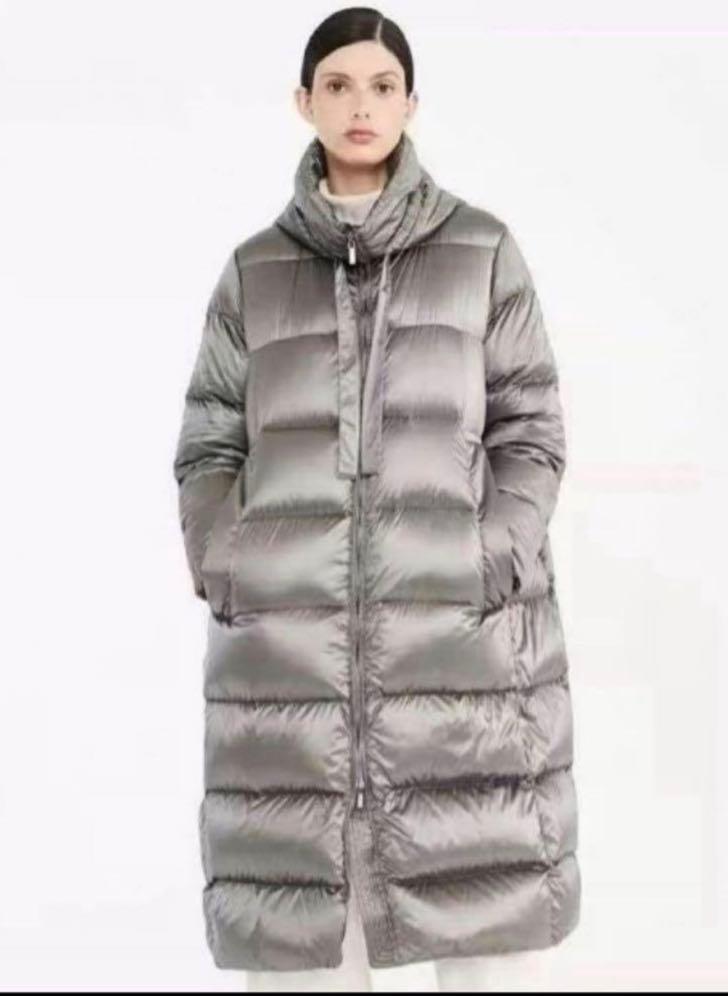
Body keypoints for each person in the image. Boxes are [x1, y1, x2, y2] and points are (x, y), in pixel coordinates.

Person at [173, 7, 579, 990]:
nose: (362, 105)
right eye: (340, 85)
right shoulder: (254, 273)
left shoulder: (481, 251)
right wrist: (231, 565)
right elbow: (209, 443)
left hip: (465, 653)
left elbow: (531, 429)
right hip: (290, 661)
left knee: (489, 925)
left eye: (383, 86)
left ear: (410, 104)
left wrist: (490, 556)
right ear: (304, 103)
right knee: (307, 939)